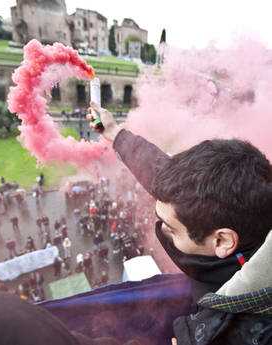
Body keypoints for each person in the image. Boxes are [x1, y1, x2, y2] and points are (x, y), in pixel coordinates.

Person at [88, 101, 272, 343]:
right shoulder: (227, 206)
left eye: (172, 229)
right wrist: (116, 134)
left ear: (222, 240)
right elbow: (160, 172)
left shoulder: (252, 329)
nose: (162, 229)